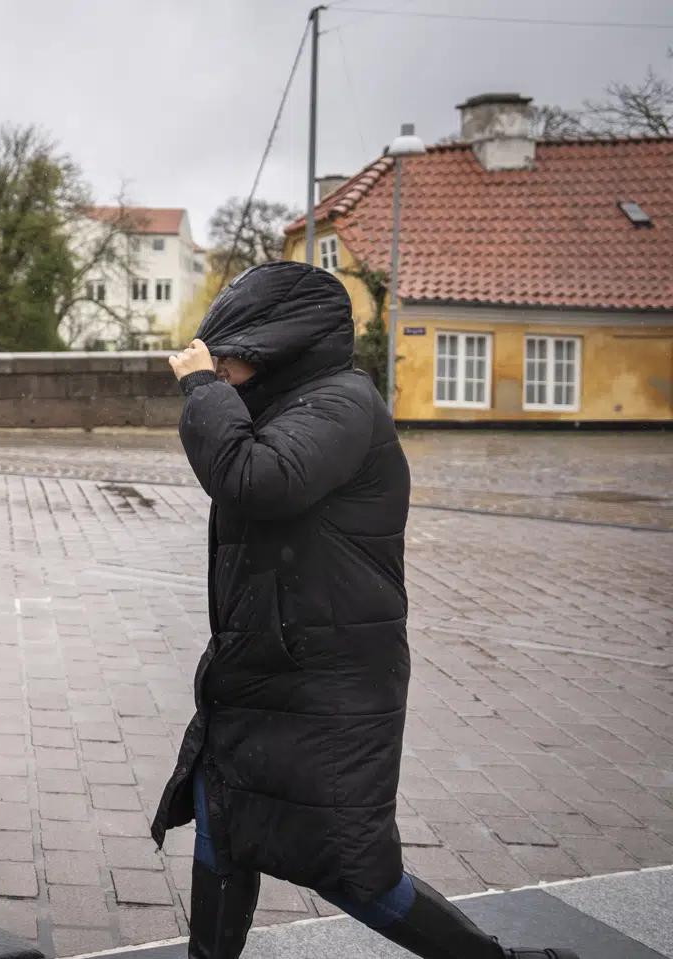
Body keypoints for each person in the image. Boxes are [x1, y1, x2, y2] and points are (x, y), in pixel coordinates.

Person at [156, 261, 578, 959]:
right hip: (265, 671)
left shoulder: (341, 405)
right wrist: (218, 394)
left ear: (276, 348)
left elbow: (254, 481)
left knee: (351, 869)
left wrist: (204, 392)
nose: (219, 368)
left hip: (327, 685)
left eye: (229, 356)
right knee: (223, 820)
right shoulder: (287, 407)